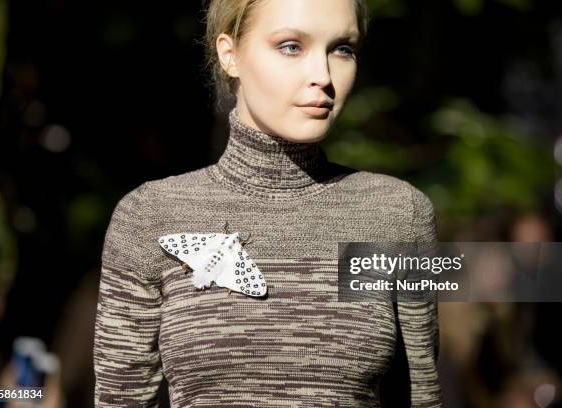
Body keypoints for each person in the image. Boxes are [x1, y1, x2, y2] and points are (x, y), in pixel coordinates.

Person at [93, 0, 443, 406]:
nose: (323, 76)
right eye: (291, 46)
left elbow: (421, 397)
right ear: (230, 55)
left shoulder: (398, 215)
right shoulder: (149, 217)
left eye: (341, 49)